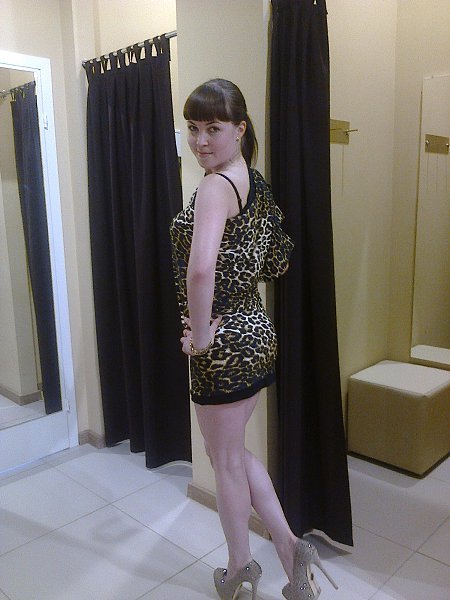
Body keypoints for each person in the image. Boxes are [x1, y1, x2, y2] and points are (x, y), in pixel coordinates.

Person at [170, 79, 337, 600]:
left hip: (224, 343)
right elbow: (274, 259)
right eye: (192, 128)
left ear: (239, 129)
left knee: (224, 463)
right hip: (255, 332)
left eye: (213, 129)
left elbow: (201, 270)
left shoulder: (215, 187)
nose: (200, 141)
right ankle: (291, 551)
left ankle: (240, 568)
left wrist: (200, 336)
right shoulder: (253, 181)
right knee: (234, 454)